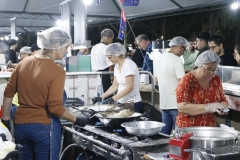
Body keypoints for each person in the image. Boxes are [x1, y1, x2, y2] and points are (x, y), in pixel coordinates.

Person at [1, 27, 89, 160]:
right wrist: (77, 120)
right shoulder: (57, 71)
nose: (66, 51)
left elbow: (8, 92)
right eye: (66, 47)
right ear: (57, 45)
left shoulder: (23, 63)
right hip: (42, 128)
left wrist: (6, 118)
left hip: (21, 126)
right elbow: (55, 108)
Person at [176, 50, 228, 128]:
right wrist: (208, 107)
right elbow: (182, 107)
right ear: (199, 65)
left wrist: (222, 107)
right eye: (208, 69)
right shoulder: (187, 79)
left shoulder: (215, 80)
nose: (211, 73)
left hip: (210, 128)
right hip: (188, 127)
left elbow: (223, 100)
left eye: (214, 70)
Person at [92, 43, 142, 112]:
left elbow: (129, 88)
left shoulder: (128, 64)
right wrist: (101, 97)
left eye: (110, 57)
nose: (109, 60)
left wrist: (113, 98)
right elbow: (114, 86)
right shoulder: (117, 66)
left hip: (133, 103)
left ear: (117, 54)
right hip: (121, 102)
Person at [155, 36, 189, 135]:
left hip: (164, 103)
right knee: (179, 135)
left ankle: (161, 150)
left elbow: (156, 80)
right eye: (184, 50)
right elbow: (182, 83)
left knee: (164, 134)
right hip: (176, 104)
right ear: (180, 46)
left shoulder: (159, 58)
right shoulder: (176, 60)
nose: (183, 53)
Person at [91, 28, 114, 94]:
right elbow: (111, 67)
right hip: (104, 76)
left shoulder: (94, 48)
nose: (111, 41)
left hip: (94, 76)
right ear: (108, 38)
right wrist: (113, 77)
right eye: (111, 39)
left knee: (97, 97)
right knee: (107, 97)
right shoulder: (106, 48)